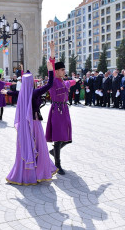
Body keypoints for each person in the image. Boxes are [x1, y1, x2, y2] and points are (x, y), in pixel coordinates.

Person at [3, 60, 57, 185]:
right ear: (32, 82)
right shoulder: (35, 92)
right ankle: (39, 173)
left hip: (24, 126)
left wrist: (7, 92)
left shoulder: (23, 94)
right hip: (35, 124)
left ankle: (28, 174)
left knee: (27, 149)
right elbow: (49, 84)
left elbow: (16, 93)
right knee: (40, 148)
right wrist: (50, 70)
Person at [45, 41, 77, 175]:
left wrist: (77, 80)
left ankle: (53, 151)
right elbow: (50, 65)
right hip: (56, 110)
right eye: (62, 69)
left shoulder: (64, 82)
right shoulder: (52, 81)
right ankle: (58, 164)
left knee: (68, 138)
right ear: (56, 71)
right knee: (58, 138)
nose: (64, 71)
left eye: (64, 69)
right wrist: (52, 51)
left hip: (65, 110)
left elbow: (71, 82)